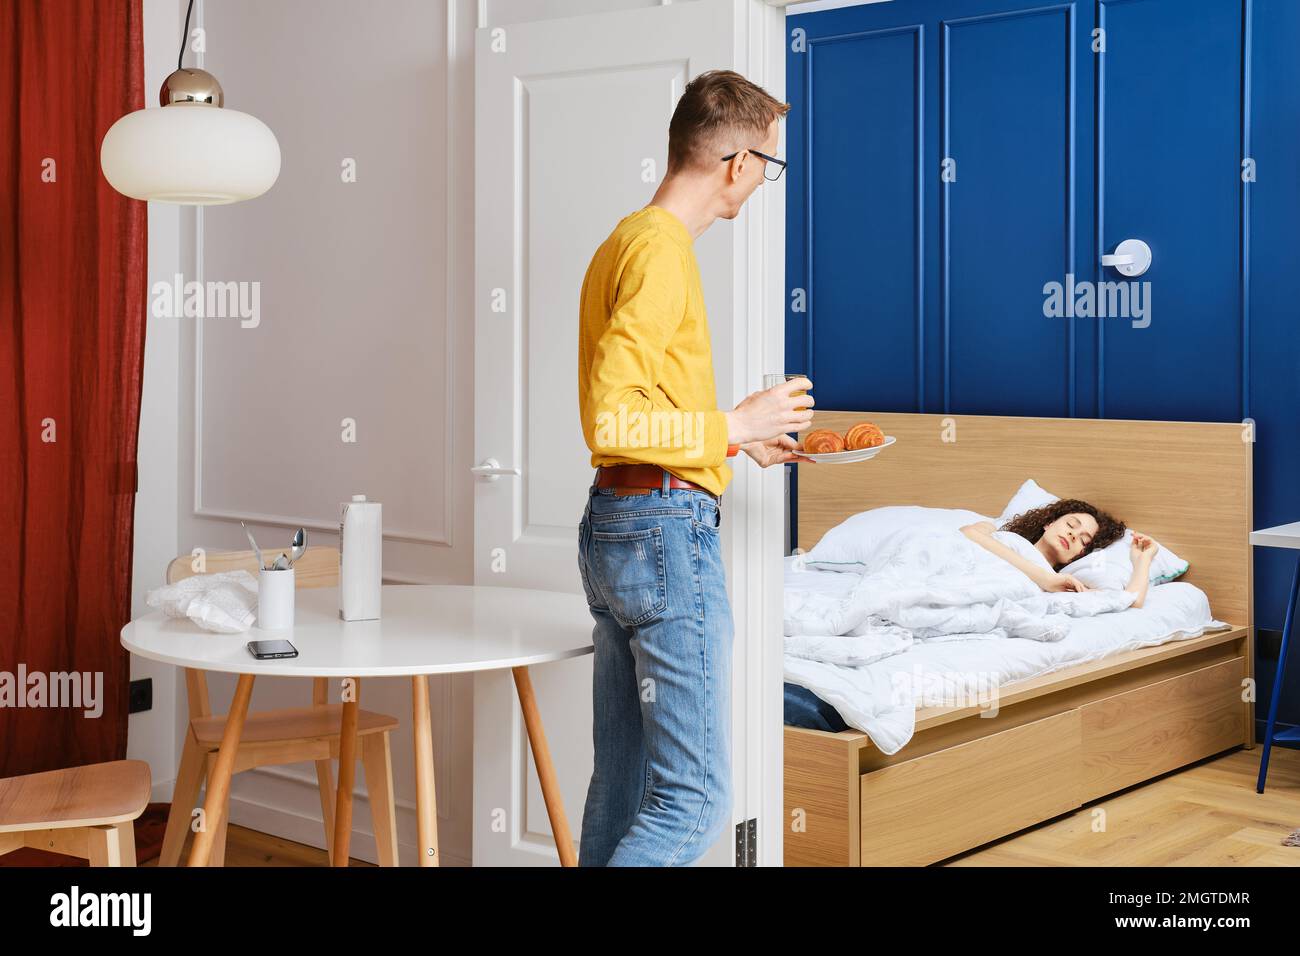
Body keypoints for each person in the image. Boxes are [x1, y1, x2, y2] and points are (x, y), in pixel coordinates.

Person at [575, 70, 811, 866]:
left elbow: (634, 415)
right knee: (696, 796)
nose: (764, 181)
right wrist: (734, 423)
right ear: (737, 162)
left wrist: (737, 437)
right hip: (663, 534)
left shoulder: (624, 242)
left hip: (620, 524)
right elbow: (613, 417)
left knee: (625, 781)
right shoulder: (662, 251)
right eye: (769, 165)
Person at [960, 499, 1160, 607]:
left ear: (1078, 556)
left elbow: (1129, 600)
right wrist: (1044, 579)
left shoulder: (1061, 584)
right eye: (1071, 524)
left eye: (1083, 540)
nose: (1073, 534)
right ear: (1049, 523)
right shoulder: (995, 531)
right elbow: (968, 533)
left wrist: (1142, 560)